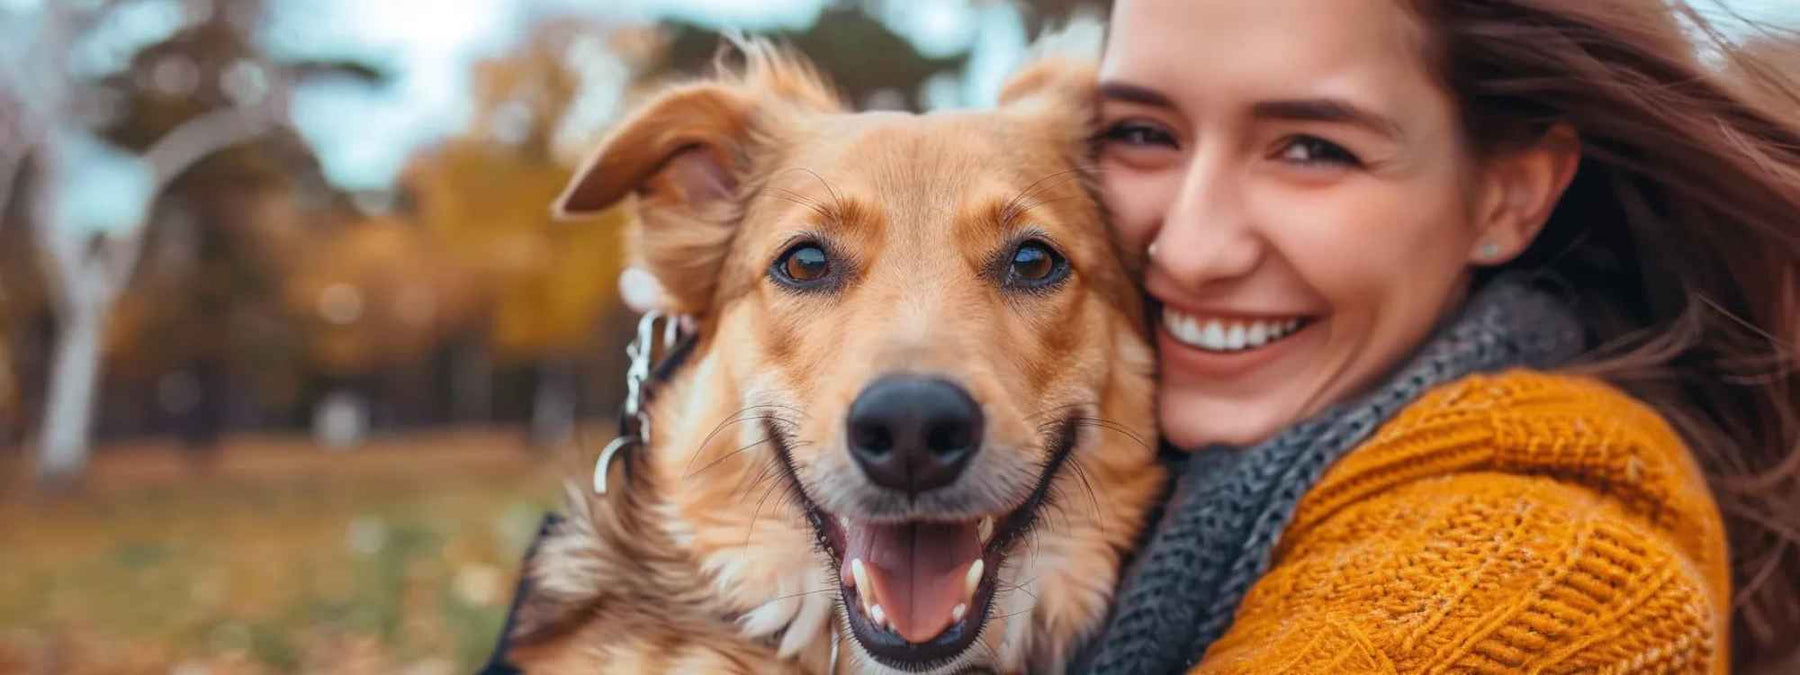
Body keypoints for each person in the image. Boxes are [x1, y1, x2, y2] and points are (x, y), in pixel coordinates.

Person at [1073, 0, 1800, 672]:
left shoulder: (1537, 568)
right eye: (1142, 133)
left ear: (1509, 196)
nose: (1190, 251)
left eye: (1313, 149)